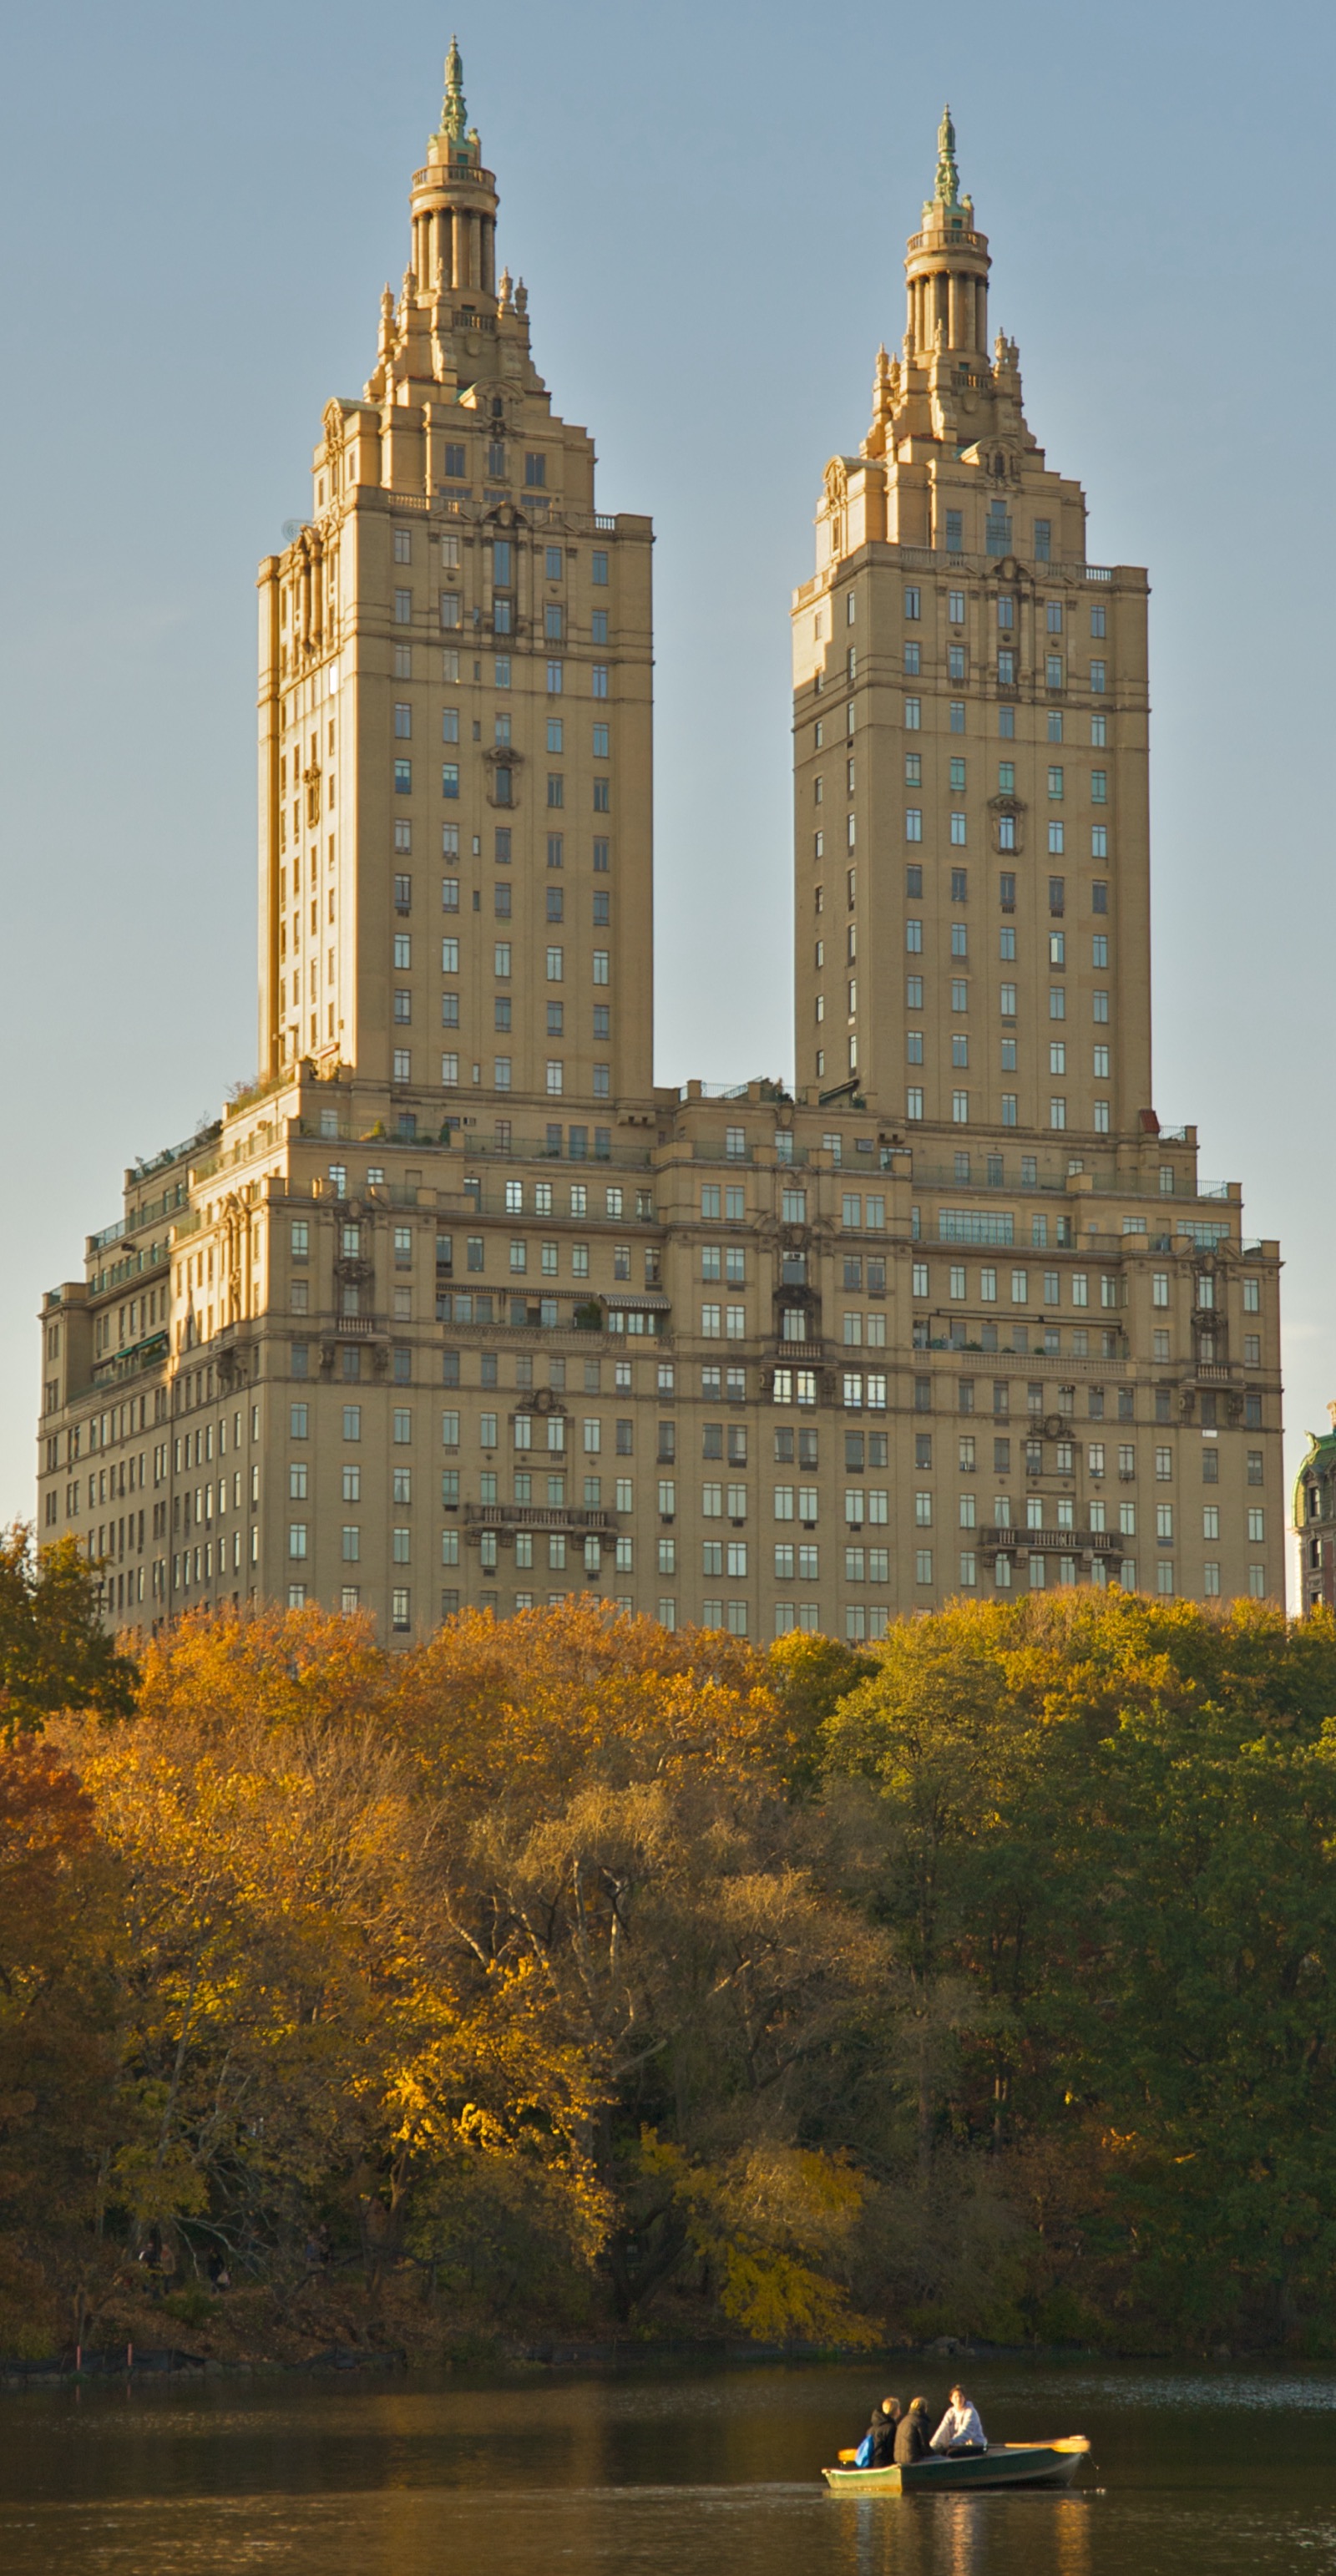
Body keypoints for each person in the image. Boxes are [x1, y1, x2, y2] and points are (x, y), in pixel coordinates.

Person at [931, 2385, 987, 2454]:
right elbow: (942, 2430)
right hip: (959, 2445)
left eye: (960, 2396)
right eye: (956, 2397)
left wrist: (951, 2444)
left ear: (964, 2398)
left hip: (976, 2446)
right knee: (941, 2451)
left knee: (951, 2453)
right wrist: (933, 2446)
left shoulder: (971, 2412)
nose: (958, 2399)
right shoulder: (950, 2412)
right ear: (951, 2399)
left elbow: (966, 2432)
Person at [894, 2396, 933, 2464]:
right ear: (925, 2408)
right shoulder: (921, 2422)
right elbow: (925, 2447)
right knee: (946, 2460)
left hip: (899, 2460)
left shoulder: (903, 2421)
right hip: (914, 2460)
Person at [864, 2396, 901, 2466]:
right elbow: (892, 2449)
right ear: (896, 2411)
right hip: (885, 2464)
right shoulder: (891, 2428)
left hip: (871, 2464)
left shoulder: (871, 2429)